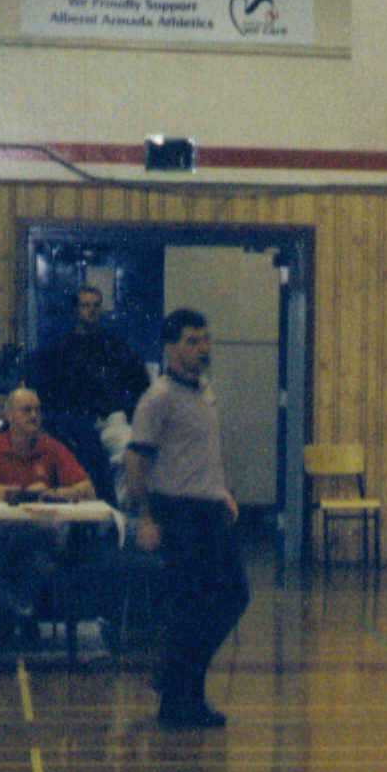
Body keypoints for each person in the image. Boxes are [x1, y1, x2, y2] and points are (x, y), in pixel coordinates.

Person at [126, 308, 249, 728]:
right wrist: (146, 517)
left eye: (205, 339)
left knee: (232, 596)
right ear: (170, 348)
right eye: (192, 341)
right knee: (192, 607)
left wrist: (222, 491)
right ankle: (180, 701)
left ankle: (177, 681)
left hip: (210, 509)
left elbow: (204, 451)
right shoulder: (158, 397)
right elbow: (136, 459)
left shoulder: (205, 390)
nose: (202, 348)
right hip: (178, 512)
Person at [0, 385, 96, 644]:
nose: (34, 416)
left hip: (38, 532)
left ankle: (11, 612)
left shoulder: (52, 447)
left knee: (39, 557)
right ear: (9, 415)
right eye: (27, 410)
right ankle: (22, 610)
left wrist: (53, 493)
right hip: (0, 532)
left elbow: (87, 489)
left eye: (37, 410)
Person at [28, 284, 149, 502]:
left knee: (128, 449)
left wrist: (131, 414)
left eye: (95, 305)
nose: (91, 310)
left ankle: (120, 509)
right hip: (73, 423)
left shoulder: (115, 346)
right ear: (76, 310)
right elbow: (46, 389)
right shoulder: (60, 349)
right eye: (85, 305)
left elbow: (140, 382)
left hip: (110, 419)